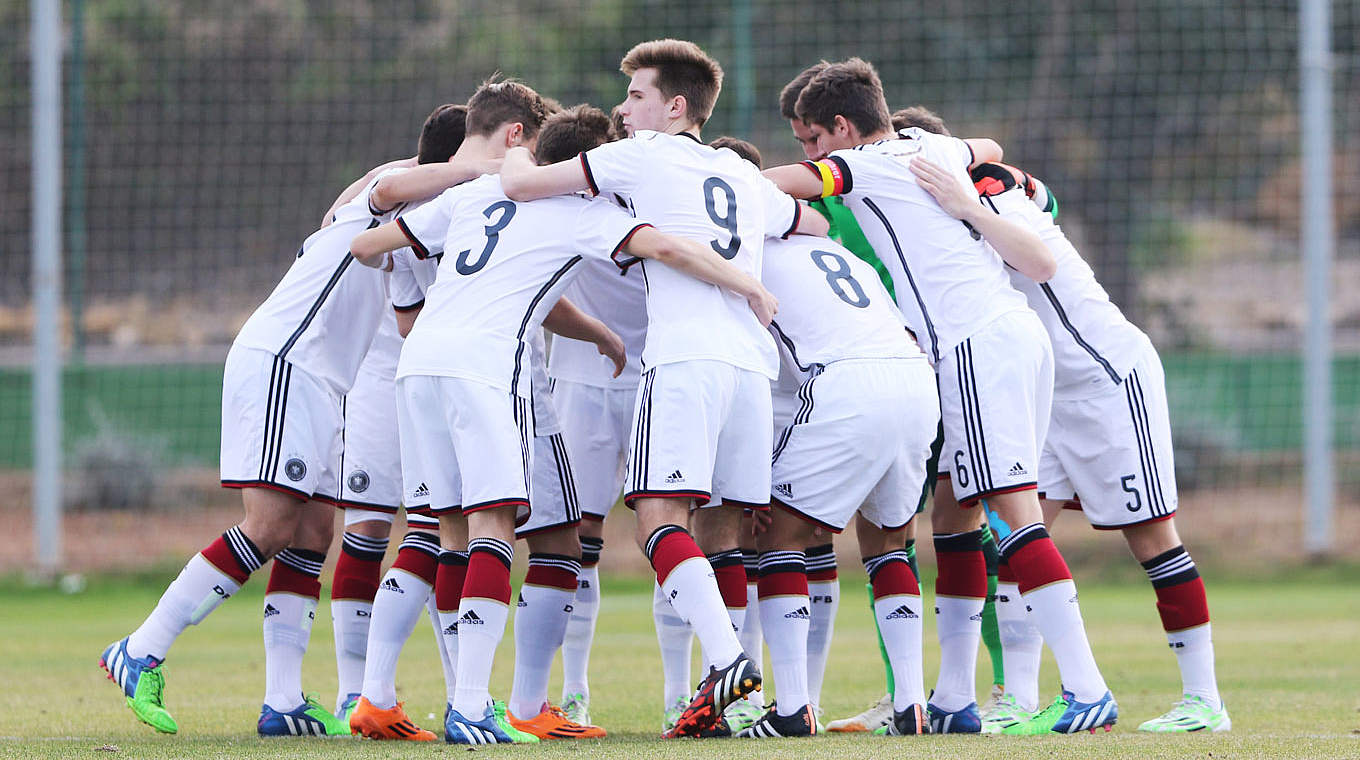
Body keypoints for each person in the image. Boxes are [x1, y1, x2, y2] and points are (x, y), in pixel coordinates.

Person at [350, 75, 780, 744]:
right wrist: (744, 279)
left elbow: (366, 246)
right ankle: (471, 706)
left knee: (434, 532)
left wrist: (451, 280)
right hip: (487, 372)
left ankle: (375, 698)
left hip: (420, 366)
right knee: (494, 527)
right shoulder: (583, 211)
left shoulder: (472, 194)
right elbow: (666, 246)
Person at [763, 57, 1118, 735]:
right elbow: (987, 147)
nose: (806, 153)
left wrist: (698, 179)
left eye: (812, 138)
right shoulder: (931, 146)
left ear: (843, 127)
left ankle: (1086, 687)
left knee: (1014, 514)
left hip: (975, 344)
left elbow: (782, 183)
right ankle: (953, 698)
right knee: (954, 515)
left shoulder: (867, 162)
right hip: (997, 339)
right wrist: (976, 171)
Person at [498, 39, 826, 738]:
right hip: (751, 368)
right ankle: (729, 703)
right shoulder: (739, 174)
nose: (623, 110)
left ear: (676, 108)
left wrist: (513, 147)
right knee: (722, 536)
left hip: (685, 361)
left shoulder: (644, 154)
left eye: (637, 96)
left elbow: (521, 186)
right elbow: (815, 221)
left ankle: (729, 660)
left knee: (655, 521)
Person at [98, 107, 447, 740]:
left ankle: (283, 700)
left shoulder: (420, 223)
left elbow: (405, 312)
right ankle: (142, 649)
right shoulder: (393, 196)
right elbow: (389, 185)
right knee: (271, 526)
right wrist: (478, 171)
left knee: (314, 530)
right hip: (288, 363)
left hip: (321, 383)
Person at [899, 106, 1228, 734]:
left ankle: (1204, 700)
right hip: (1042, 388)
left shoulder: (989, 202)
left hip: (1107, 379)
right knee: (1017, 539)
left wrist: (972, 202)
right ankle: (1020, 699)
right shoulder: (952, 216)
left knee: (1152, 538)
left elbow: (1038, 250)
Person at [715, 136, 940, 738]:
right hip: (914, 380)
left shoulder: (742, 257)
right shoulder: (831, 245)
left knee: (776, 535)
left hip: (845, 384)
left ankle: (790, 710)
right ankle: (913, 704)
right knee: (891, 541)